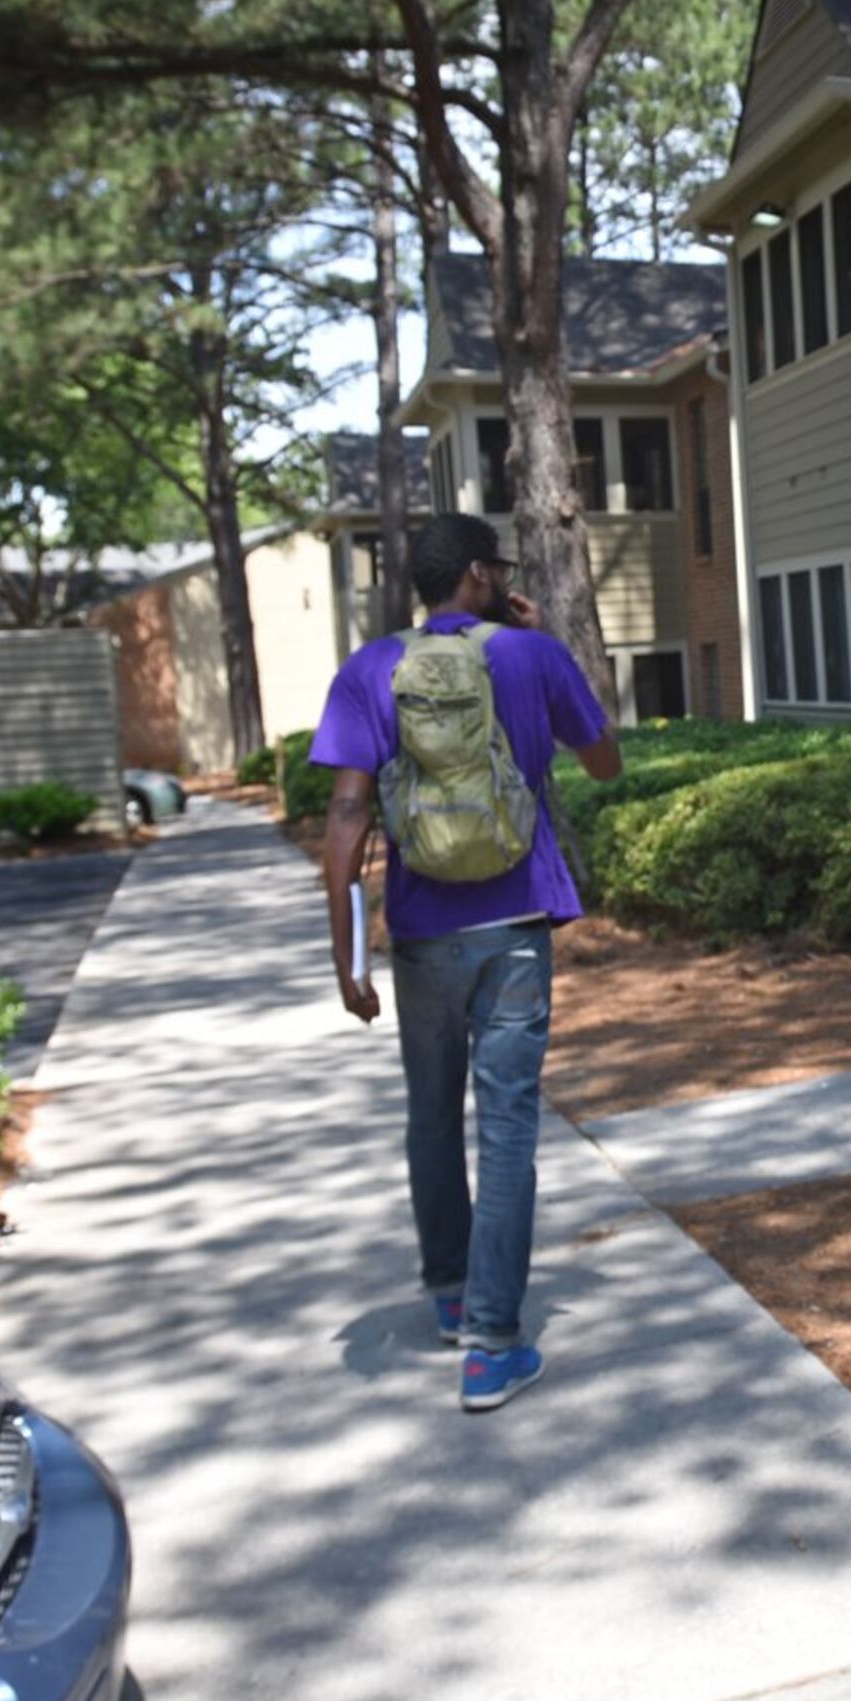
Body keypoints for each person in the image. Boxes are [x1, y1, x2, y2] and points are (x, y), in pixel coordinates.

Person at [313, 511, 623, 1413]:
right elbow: (604, 761)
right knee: (510, 1129)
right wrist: (540, 644)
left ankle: (451, 1293)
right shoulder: (528, 656)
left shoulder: (372, 669)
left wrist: (345, 953)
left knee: (432, 1114)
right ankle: (492, 1343)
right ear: (482, 576)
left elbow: (345, 813)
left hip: (419, 932)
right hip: (516, 920)